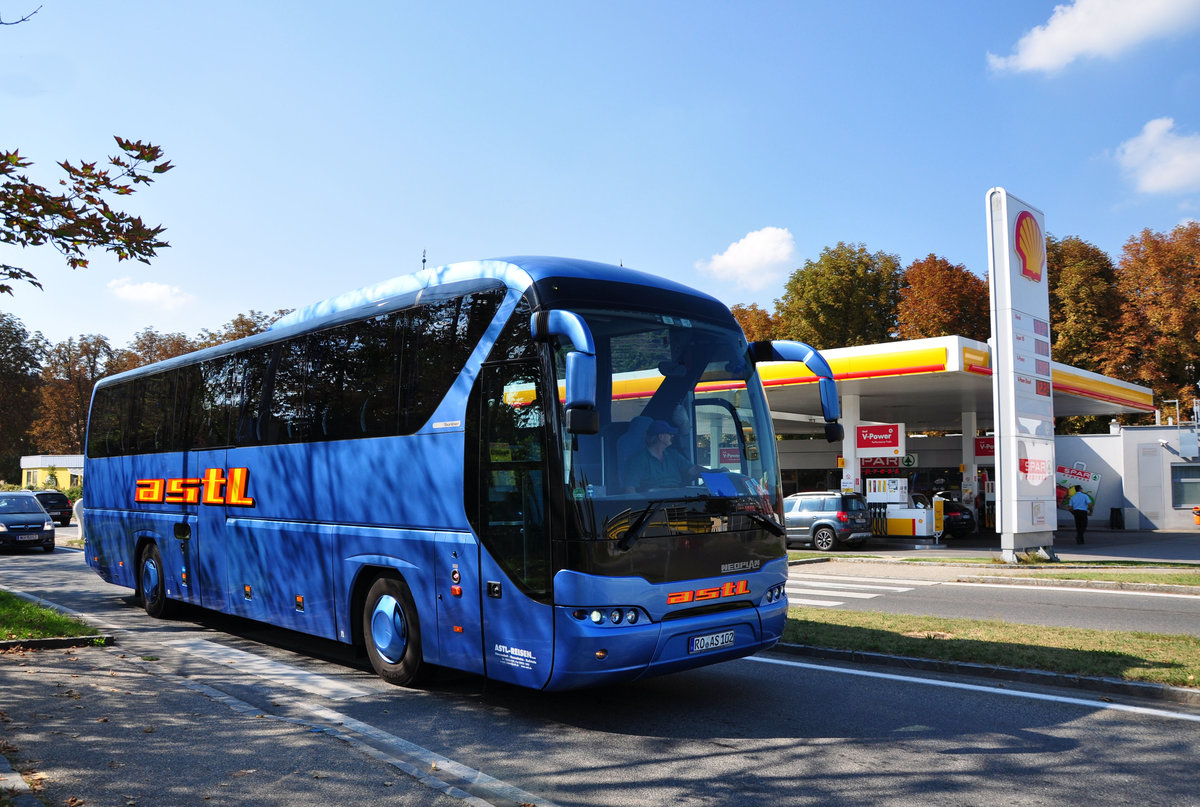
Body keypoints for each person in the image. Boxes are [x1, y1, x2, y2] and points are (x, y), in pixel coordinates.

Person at [623, 420, 704, 493]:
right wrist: (639, 503)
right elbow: (630, 488)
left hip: (677, 496)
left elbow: (693, 470)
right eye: (669, 433)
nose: (672, 436)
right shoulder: (639, 460)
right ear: (660, 437)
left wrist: (711, 473)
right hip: (653, 500)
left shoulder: (673, 455)